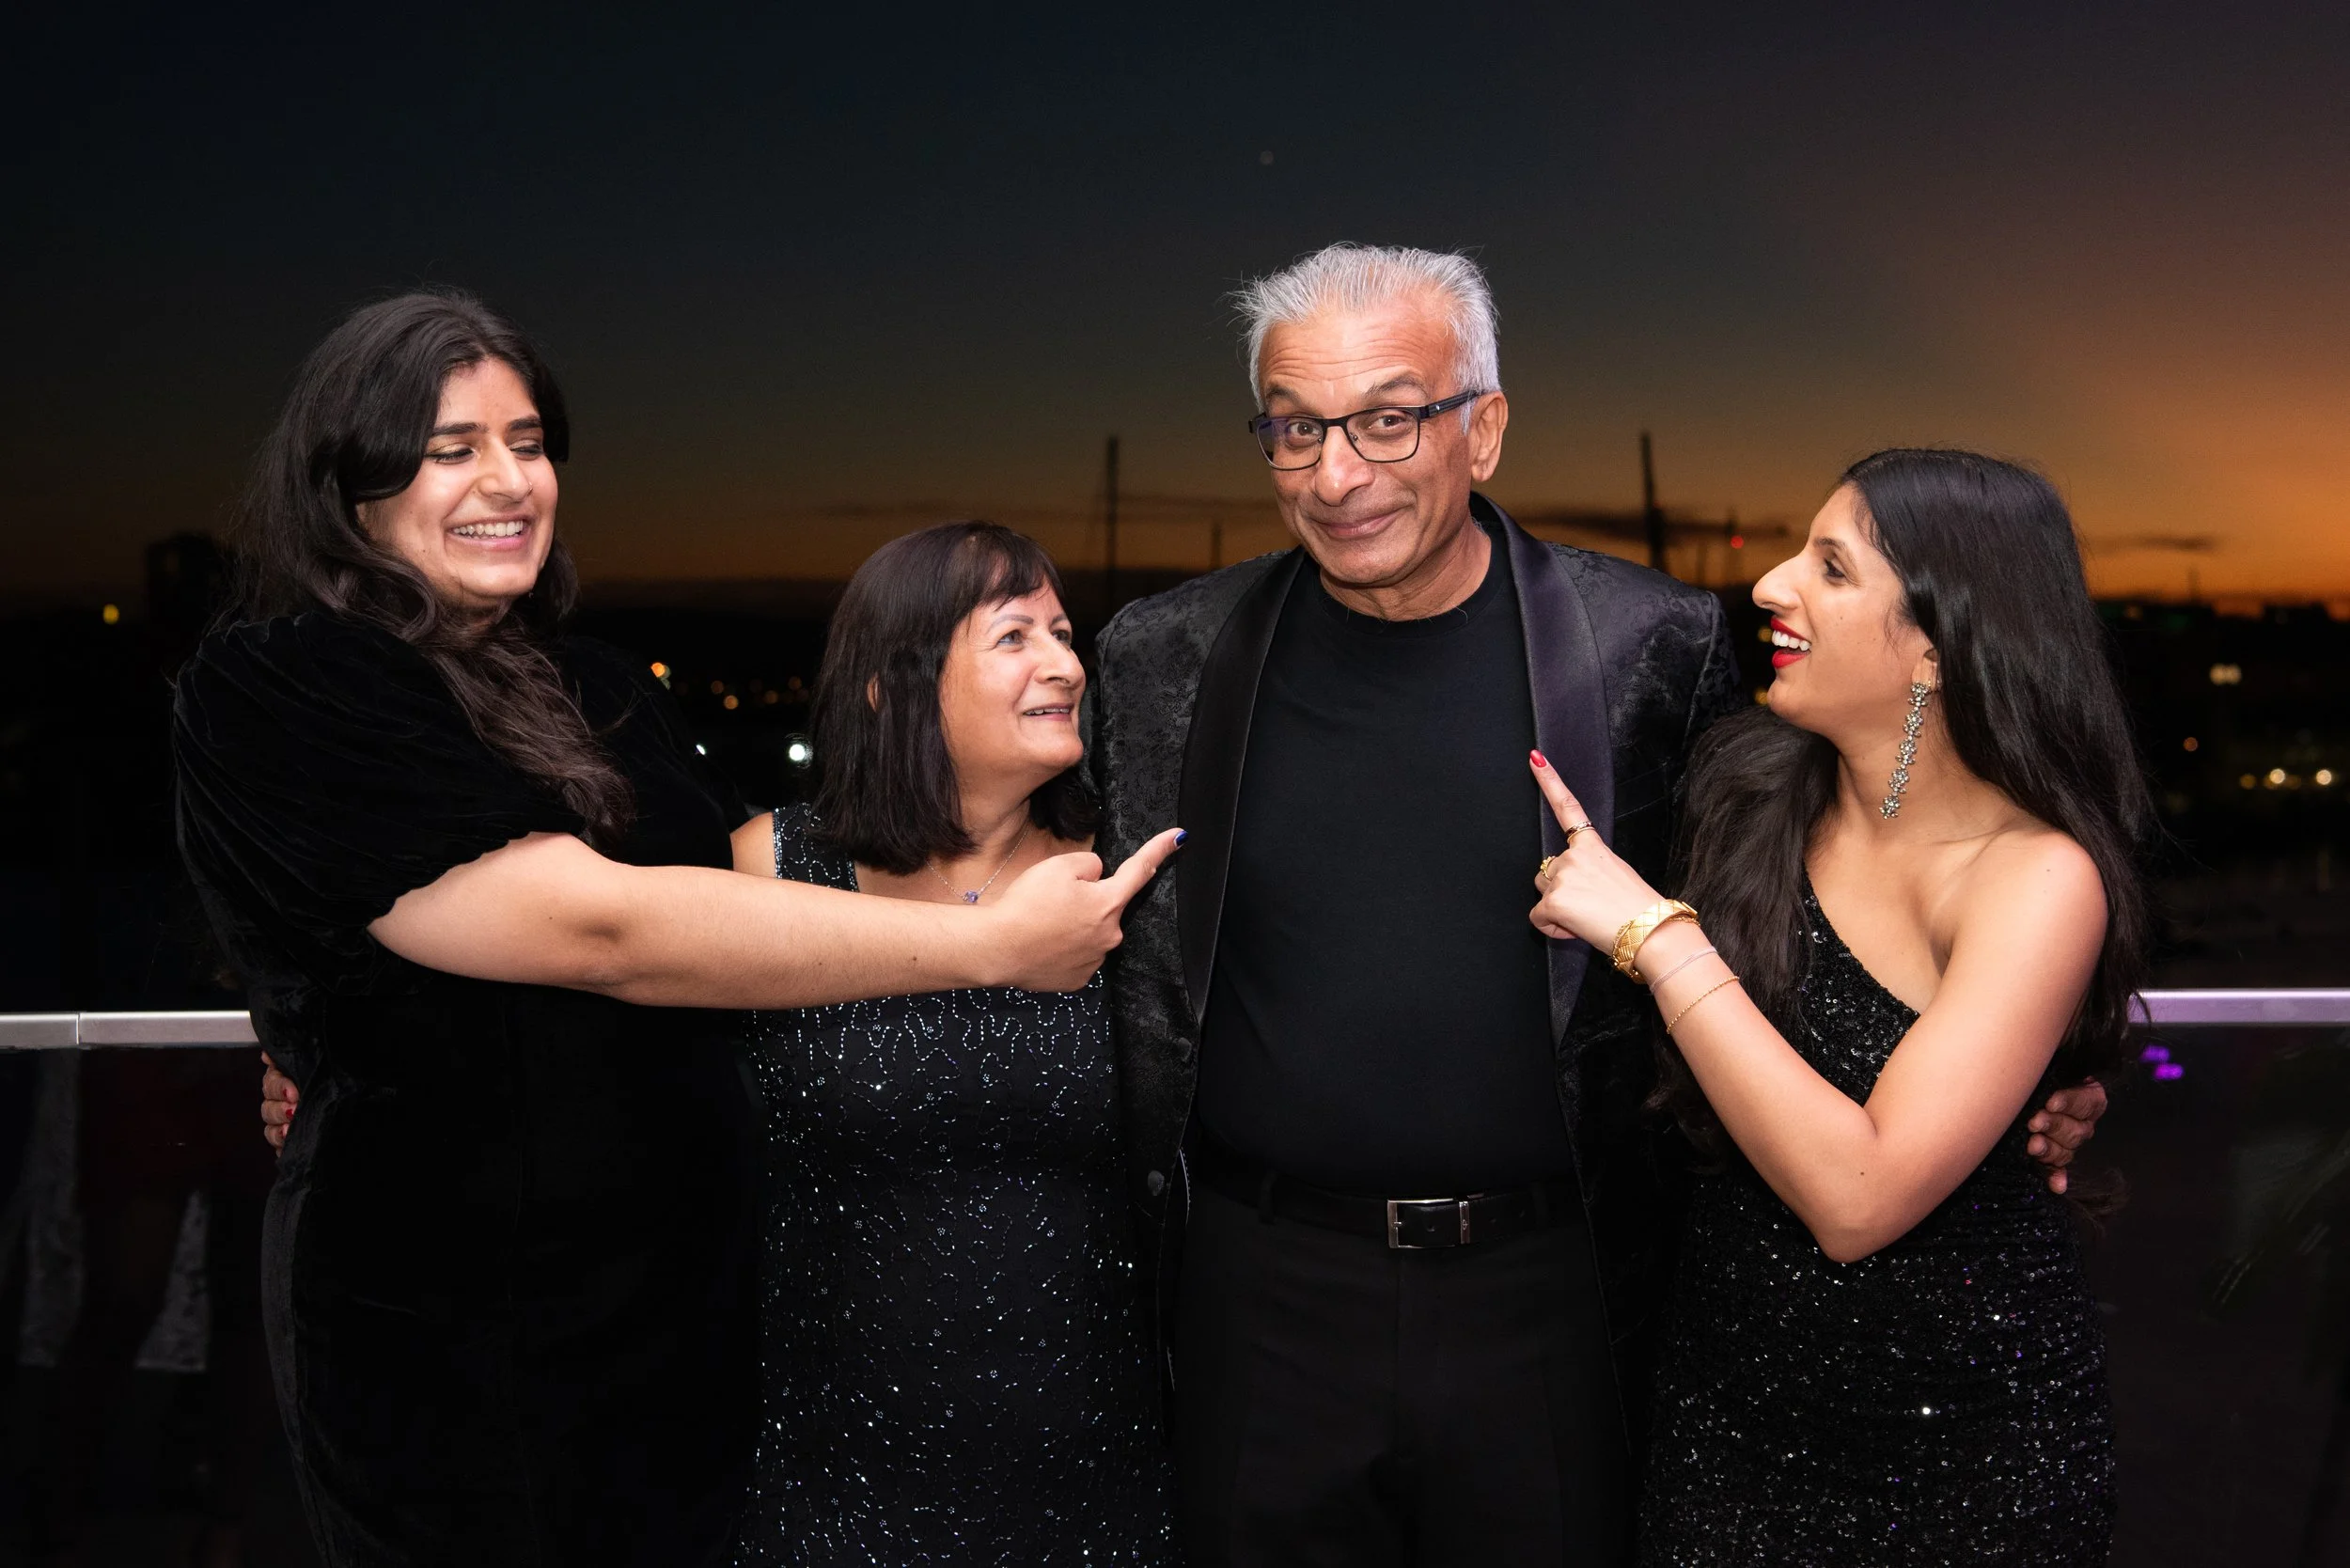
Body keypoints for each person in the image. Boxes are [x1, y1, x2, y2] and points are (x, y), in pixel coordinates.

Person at [1083, 244, 2108, 1563]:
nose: (1335, 475)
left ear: (1486, 428)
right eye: (1295, 429)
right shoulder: (1159, 656)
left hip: (1561, 1300)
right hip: (1259, 1299)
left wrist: (2039, 1050)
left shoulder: (1653, 645)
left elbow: (1829, 884)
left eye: (1388, 419)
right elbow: (1058, 900)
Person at [175, 290, 1175, 1566]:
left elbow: (728, 945)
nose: (509, 480)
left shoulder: (594, 686)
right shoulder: (285, 681)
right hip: (449, 1329)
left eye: (528, 443)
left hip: (669, 1337)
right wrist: (989, 946)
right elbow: (603, 931)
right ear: (349, 481)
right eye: (450, 448)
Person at [1528, 448, 2136, 1561]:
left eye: (1832, 568)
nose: (1769, 584)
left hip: (1966, 1459)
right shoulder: (1742, 790)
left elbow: (1859, 1199)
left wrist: (1654, 936)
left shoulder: (2033, 877)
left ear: (1935, 649)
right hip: (1721, 1427)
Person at [731, 521, 1174, 1564]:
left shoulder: (1130, 879)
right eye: (1015, 636)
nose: (1066, 664)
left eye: (1066, 634)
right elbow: (622, 1060)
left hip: (1104, 1461)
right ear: (894, 681)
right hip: (834, 1465)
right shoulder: (772, 865)